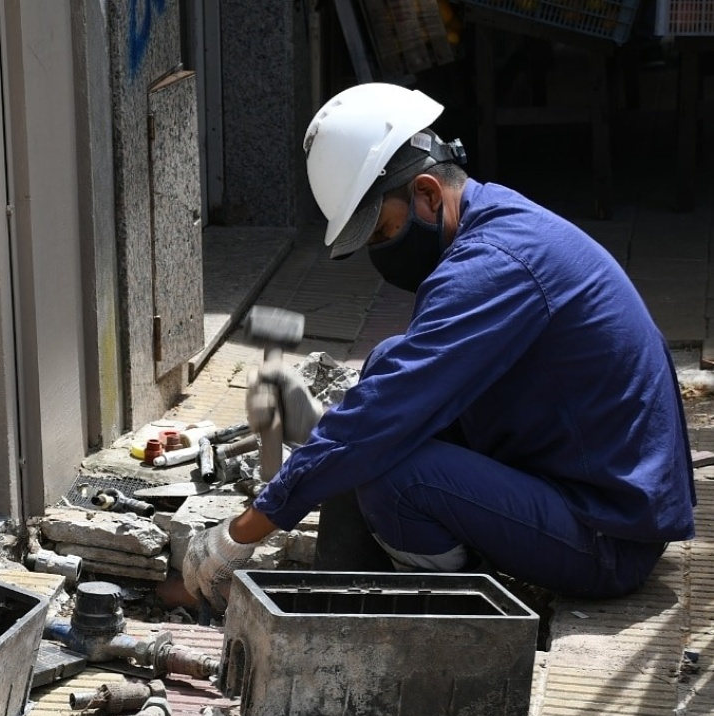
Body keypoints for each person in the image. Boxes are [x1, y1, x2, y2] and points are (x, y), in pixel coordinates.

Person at [183, 82, 696, 612]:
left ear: (428, 194)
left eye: (381, 233)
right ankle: (358, 569)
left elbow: (384, 413)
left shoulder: (494, 266)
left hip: (607, 537)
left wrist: (241, 533)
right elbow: (394, 393)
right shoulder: (495, 221)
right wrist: (329, 447)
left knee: (395, 478)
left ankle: (460, 612)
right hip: (580, 485)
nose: (382, 253)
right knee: (386, 366)